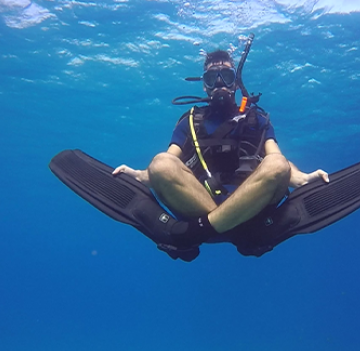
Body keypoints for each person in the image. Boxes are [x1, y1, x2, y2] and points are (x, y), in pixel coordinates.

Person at [111, 49, 329, 249]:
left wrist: (300, 178)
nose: (219, 83)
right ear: (204, 85)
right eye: (211, 78)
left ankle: (195, 233)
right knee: (160, 163)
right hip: (207, 209)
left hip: (222, 219)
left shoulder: (257, 119)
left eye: (226, 76)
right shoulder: (190, 121)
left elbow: (277, 160)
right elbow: (167, 163)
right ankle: (244, 236)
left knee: (278, 164)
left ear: (236, 82)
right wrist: (141, 175)